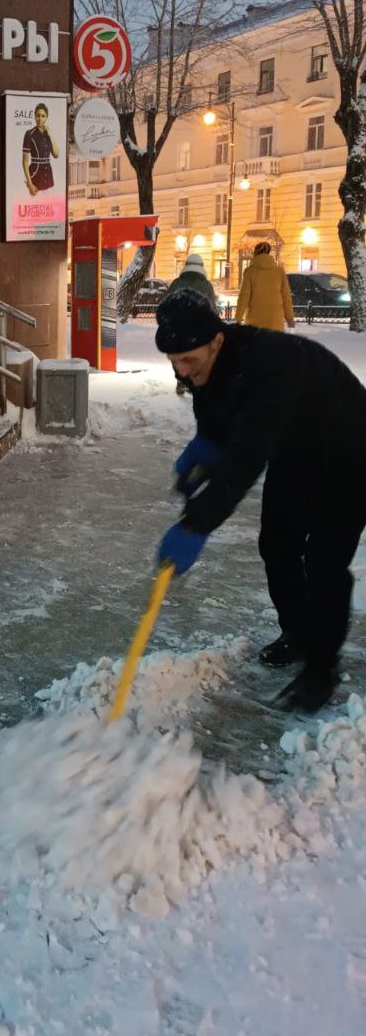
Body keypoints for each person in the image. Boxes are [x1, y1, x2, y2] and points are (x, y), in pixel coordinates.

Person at [153, 288, 366, 712]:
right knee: (277, 543)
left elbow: (246, 459)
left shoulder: (269, 366)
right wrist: (203, 452)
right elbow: (217, 425)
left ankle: (321, 671)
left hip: (350, 450)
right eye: (175, 363)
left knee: (324, 559)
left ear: (217, 341)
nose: (183, 372)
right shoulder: (203, 368)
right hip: (295, 449)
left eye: (190, 361)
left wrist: (196, 524)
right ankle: (299, 633)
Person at [235, 242, 295, 331]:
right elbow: (286, 297)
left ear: (255, 253)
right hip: (275, 321)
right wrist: (289, 318)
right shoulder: (279, 271)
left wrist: (238, 317)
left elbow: (244, 296)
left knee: (257, 344)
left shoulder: (249, 271)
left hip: (254, 322)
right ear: (269, 253)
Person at [22, 103, 59, 196]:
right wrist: (30, 184)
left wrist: (51, 135)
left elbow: (56, 155)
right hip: (35, 177)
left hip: (49, 178)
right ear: (34, 116)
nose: (40, 119)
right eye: (38, 116)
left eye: (43, 116)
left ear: (47, 117)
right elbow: (25, 161)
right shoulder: (29, 134)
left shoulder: (48, 134)